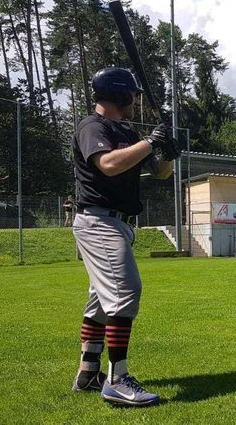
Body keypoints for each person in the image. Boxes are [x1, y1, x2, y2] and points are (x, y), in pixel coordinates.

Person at [71, 67, 182, 407]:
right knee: (125, 292)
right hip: (99, 221)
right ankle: (117, 379)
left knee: (100, 303)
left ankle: (89, 373)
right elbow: (108, 164)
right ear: (119, 94)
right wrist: (150, 141)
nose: (136, 99)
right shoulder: (93, 126)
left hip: (118, 224)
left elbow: (159, 173)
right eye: (132, 94)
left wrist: (168, 154)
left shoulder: (129, 133)